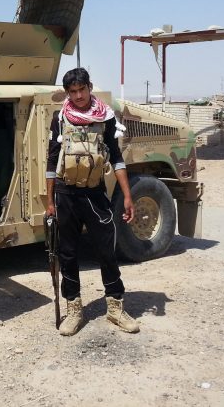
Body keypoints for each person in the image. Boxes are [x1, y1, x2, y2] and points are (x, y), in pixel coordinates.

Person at [45, 68, 139, 336]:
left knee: (106, 250)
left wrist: (128, 196)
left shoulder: (106, 117)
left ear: (90, 87)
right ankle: (74, 309)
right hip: (66, 194)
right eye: (72, 92)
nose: (78, 96)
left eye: (81, 90)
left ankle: (115, 308)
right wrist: (49, 200)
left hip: (95, 194)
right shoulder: (60, 118)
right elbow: (52, 161)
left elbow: (117, 157)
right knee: (68, 253)